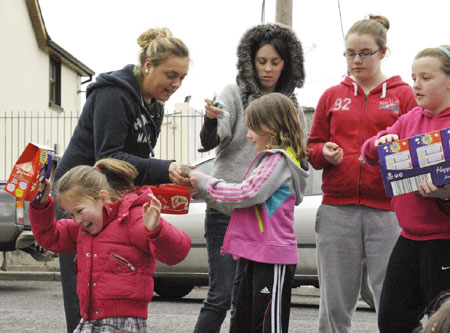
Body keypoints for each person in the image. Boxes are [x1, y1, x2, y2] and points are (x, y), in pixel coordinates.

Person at [53, 27, 194, 332]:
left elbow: (135, 162)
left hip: (112, 198)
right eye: (171, 74)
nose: (176, 83)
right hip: (80, 196)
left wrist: (168, 183)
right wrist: (164, 168)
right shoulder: (113, 93)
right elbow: (110, 156)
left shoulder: (154, 105)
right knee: (87, 291)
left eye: (182, 77)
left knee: (117, 285)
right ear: (148, 65)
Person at [193, 22, 306, 332]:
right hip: (227, 212)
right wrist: (211, 121)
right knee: (222, 296)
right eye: (261, 61)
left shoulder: (290, 111)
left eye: (275, 62)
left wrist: (204, 185)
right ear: (249, 60)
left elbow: (297, 158)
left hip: (259, 222)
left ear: (287, 64)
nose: (267, 69)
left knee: (255, 312)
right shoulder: (232, 92)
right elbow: (214, 138)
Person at [307, 15, 417, 332]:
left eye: (364, 53)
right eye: (349, 53)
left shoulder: (404, 95)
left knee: (394, 298)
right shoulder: (330, 95)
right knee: (334, 301)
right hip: (337, 209)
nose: (356, 60)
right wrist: (322, 152)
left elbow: (415, 148)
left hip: (389, 210)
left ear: (383, 52)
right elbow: (312, 149)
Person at [29, 158, 191, 332]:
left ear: (103, 197)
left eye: (79, 211)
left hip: (123, 324)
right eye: (71, 214)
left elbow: (178, 252)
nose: (76, 220)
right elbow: (50, 237)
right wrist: (41, 204)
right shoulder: (83, 230)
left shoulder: (132, 219)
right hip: (91, 319)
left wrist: (157, 229)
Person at [361, 45, 450, 333]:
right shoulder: (410, 119)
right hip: (409, 237)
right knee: (391, 321)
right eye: (414, 78)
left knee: (441, 324)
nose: (416, 85)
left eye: (426, 77)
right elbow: (369, 151)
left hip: (444, 241)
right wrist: (379, 143)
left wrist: (444, 194)